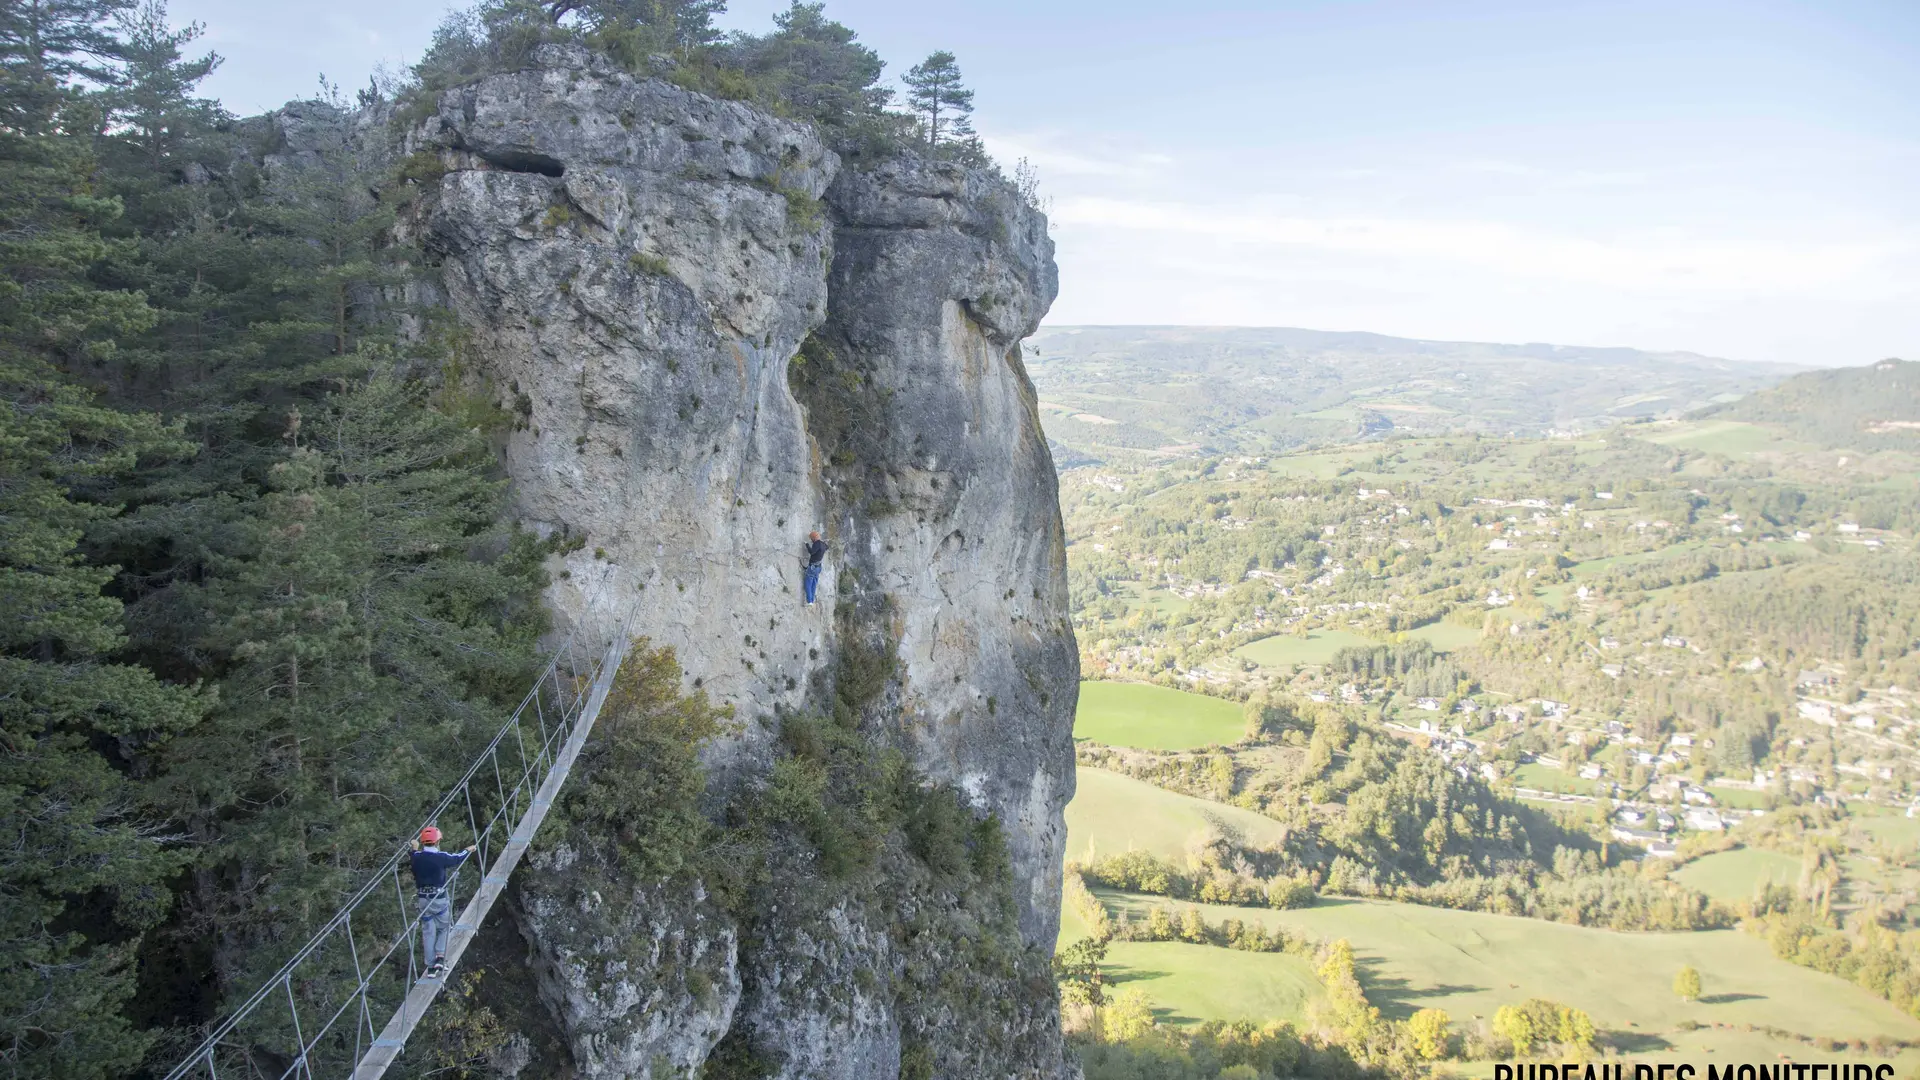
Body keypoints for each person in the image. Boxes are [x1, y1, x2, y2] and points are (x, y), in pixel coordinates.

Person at [409, 825, 476, 979]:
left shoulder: (417, 857)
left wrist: (414, 847)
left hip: (423, 900)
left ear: (423, 842)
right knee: (444, 927)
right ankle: (440, 957)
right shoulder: (442, 857)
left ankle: (431, 967)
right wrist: (468, 850)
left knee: (428, 932)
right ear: (438, 842)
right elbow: (458, 858)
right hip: (438, 899)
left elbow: (412, 854)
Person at [803, 530, 828, 606]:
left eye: (811, 539)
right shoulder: (823, 544)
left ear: (813, 538)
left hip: (813, 567)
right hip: (818, 568)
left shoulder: (817, 544)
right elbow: (827, 547)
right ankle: (812, 601)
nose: (811, 540)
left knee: (808, 583)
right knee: (814, 584)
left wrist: (806, 544)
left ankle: (809, 601)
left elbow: (812, 552)